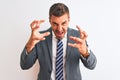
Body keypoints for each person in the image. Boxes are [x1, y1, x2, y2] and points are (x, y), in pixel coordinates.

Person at [20, 3, 97, 80]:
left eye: (63, 23)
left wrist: (85, 52)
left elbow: (92, 65)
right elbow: (24, 65)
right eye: (55, 24)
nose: (59, 29)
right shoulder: (40, 37)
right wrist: (30, 43)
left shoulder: (78, 37)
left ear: (69, 19)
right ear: (50, 20)